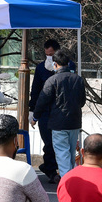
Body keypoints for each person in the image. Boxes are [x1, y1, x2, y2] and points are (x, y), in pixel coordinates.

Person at [33, 49, 86, 177]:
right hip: (75, 122)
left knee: (62, 154)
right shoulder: (78, 79)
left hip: (58, 123)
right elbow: (82, 101)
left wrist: (35, 116)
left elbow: (42, 100)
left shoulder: (52, 80)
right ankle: (72, 178)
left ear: (55, 64)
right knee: (71, 153)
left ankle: (67, 182)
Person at [29, 39, 60, 182]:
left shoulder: (67, 66)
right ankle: (50, 169)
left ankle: (52, 168)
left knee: (58, 142)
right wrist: (32, 110)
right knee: (48, 142)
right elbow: (35, 90)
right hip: (44, 111)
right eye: (47, 55)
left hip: (60, 110)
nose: (49, 58)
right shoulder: (41, 68)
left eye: (52, 55)